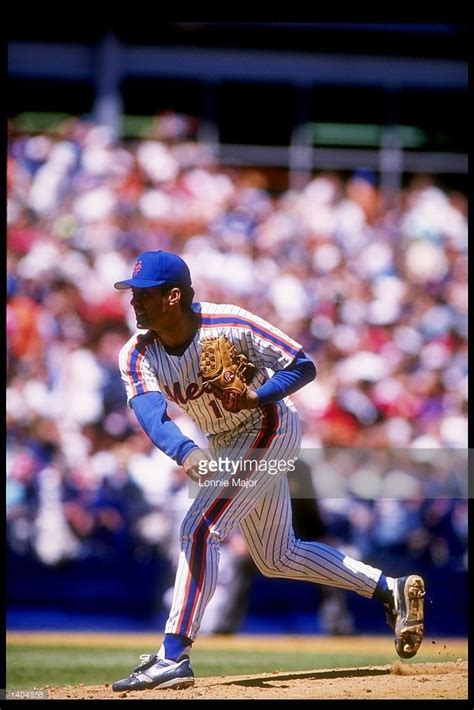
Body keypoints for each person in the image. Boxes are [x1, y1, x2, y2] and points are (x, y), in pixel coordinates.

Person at [111, 250, 425, 692]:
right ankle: (389, 589)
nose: (134, 303)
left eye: (143, 294)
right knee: (277, 557)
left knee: (200, 529)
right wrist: (186, 452)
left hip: (268, 425)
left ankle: (172, 655)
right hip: (222, 442)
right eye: (133, 294)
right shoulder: (136, 353)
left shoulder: (231, 324)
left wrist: (257, 397)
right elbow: (151, 414)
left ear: (173, 296)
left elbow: (302, 365)